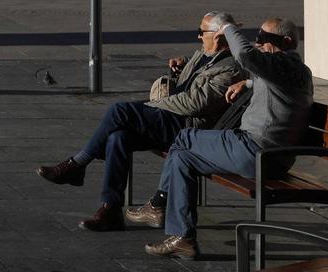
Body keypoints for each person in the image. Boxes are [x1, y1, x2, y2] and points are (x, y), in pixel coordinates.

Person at [36, 12, 244, 231]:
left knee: (119, 111)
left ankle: (77, 164)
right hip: (170, 115)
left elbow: (195, 104)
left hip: (186, 127)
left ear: (218, 37)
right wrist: (180, 69)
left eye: (201, 32)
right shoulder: (204, 53)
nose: (199, 36)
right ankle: (111, 209)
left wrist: (155, 104)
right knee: (119, 137)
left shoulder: (230, 68)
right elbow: (189, 84)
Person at [139, 17, 313, 260]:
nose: (258, 42)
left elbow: (245, 55)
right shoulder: (295, 69)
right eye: (257, 36)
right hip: (271, 156)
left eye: (264, 38)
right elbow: (275, 81)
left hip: (257, 152)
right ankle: (182, 238)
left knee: (184, 137)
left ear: (285, 42)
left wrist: (227, 28)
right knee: (182, 157)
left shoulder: (282, 63)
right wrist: (248, 82)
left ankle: (159, 204)